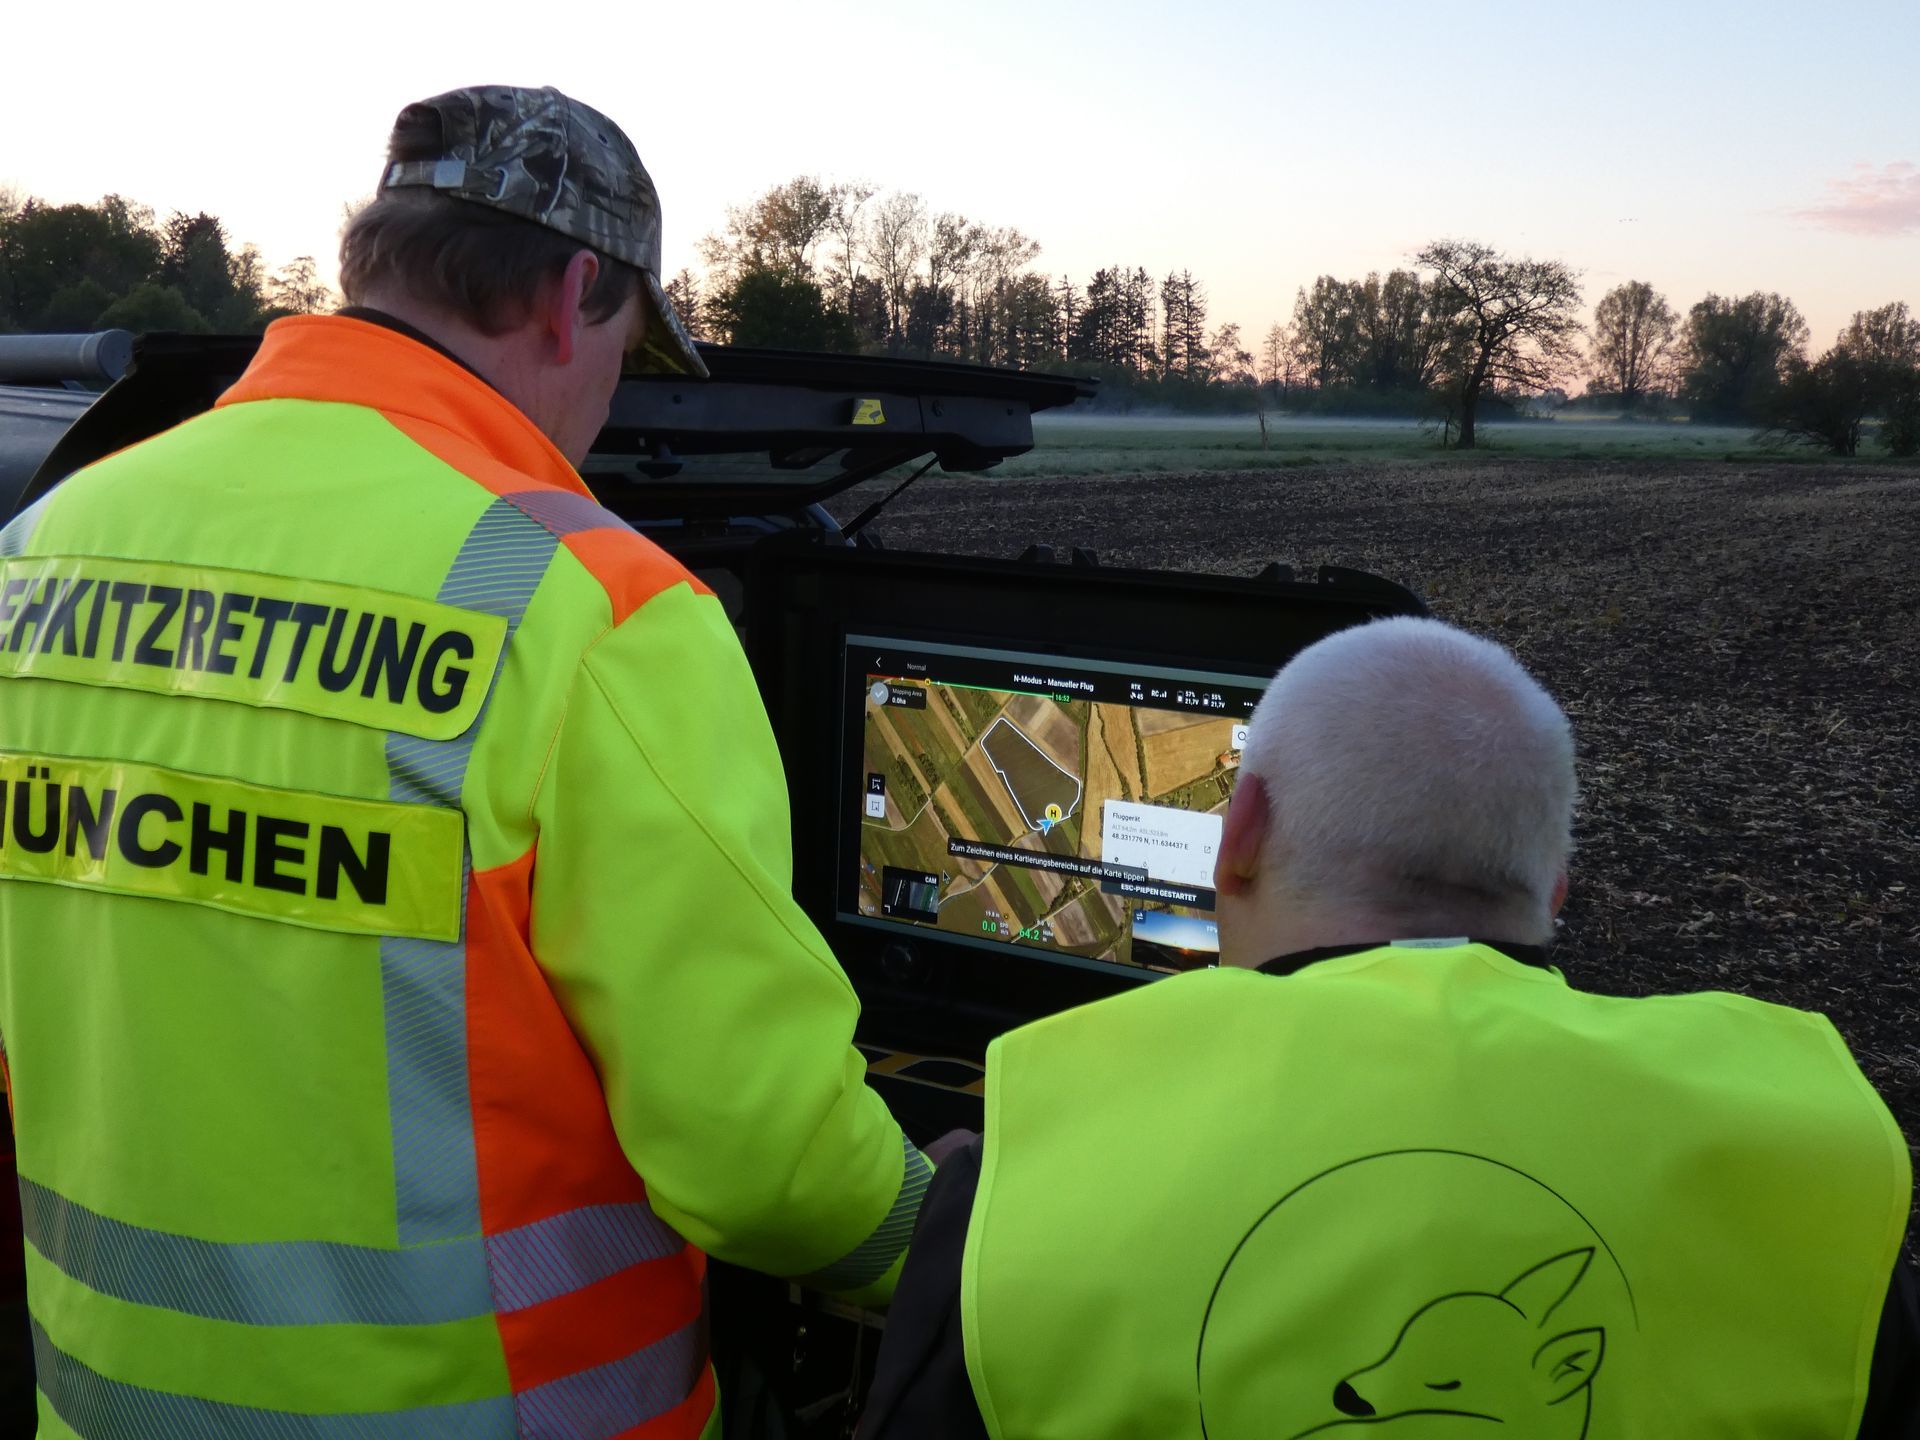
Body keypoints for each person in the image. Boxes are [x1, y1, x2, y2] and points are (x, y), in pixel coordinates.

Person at [0, 85, 926, 1434]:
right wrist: (962, 1235)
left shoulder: (38, 550)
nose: (608, 397)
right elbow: (762, 1160)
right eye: (628, 352)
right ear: (574, 295)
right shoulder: (596, 605)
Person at [863, 616, 1916, 1439]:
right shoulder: (1810, 1181)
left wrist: (959, 1210)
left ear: (1239, 833)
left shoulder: (1025, 1182)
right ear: (1554, 884)